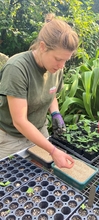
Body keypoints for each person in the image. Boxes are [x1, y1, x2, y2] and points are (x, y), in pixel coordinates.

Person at [0, 13, 79, 168]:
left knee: (41, 177)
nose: (62, 65)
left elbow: (51, 92)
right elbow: (20, 121)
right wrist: (53, 150)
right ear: (42, 47)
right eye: (58, 59)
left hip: (39, 131)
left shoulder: (56, 68)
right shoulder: (17, 68)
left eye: (66, 60)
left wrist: (55, 113)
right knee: (13, 182)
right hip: (12, 136)